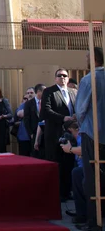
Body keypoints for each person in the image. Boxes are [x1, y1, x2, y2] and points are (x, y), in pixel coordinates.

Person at [75, 47, 105, 231]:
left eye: (87, 57)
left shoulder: (89, 79)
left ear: (93, 59)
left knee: (92, 179)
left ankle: (95, 222)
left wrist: (80, 125)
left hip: (92, 133)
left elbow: (81, 109)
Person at [40, 68, 77, 201]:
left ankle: (67, 192)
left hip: (71, 134)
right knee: (57, 164)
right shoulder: (49, 92)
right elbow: (45, 111)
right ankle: (58, 193)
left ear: (68, 78)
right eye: (59, 75)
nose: (62, 78)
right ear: (55, 78)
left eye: (65, 76)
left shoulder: (73, 92)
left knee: (69, 163)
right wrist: (63, 118)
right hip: (55, 134)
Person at [59, 120, 86, 226]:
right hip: (81, 166)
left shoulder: (82, 137)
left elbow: (84, 150)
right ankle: (80, 211)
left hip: (88, 168)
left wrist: (70, 149)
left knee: (76, 173)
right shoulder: (76, 139)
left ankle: (82, 215)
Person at [24, 84, 46, 158]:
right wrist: (30, 133)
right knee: (35, 152)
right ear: (38, 92)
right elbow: (26, 119)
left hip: (45, 131)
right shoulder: (29, 103)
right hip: (34, 131)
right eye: (44, 91)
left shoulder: (46, 102)